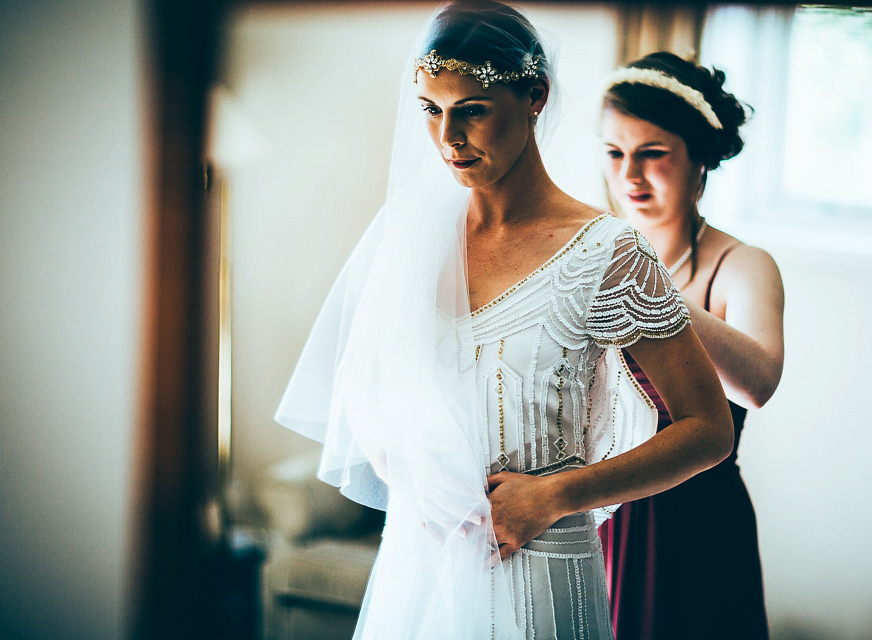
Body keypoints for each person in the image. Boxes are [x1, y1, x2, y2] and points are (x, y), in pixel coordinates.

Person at [275, 5, 733, 639]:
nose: (448, 137)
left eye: (473, 109)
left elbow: (709, 429)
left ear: (534, 96)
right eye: (431, 110)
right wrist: (423, 482)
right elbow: (369, 398)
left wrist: (554, 495)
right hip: (420, 569)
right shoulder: (409, 243)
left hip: (541, 577)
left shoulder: (607, 253)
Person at [596, 52, 785, 640]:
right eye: (614, 154)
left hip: (696, 521)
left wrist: (653, 287)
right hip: (599, 509)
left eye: (652, 154)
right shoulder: (590, 257)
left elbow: (758, 385)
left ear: (699, 157)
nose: (630, 176)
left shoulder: (742, 265)